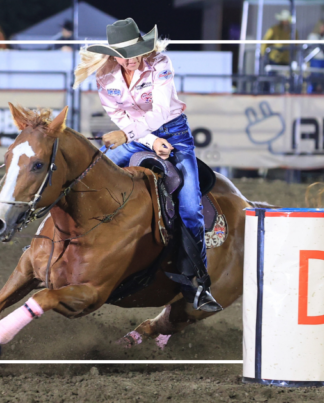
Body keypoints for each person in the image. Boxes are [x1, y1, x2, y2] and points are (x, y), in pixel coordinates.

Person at [72, 18, 222, 312]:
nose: (132, 60)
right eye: (124, 55)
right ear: (113, 54)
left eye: (136, 52)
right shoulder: (105, 75)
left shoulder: (160, 63)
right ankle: (61, 244)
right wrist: (149, 141)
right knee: (87, 179)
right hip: (143, 137)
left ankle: (199, 284)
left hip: (175, 135)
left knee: (190, 207)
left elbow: (162, 110)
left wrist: (132, 135)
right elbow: (119, 114)